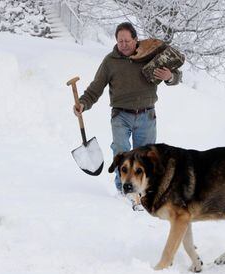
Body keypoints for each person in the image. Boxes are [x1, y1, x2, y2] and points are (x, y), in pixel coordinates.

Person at [73, 22, 181, 209]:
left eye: (127, 40)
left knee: (144, 157)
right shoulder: (110, 62)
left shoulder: (150, 54)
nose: (123, 44)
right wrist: (83, 103)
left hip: (147, 115)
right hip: (121, 115)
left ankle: (142, 192)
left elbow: (177, 76)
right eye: (120, 40)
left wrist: (169, 77)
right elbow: (95, 88)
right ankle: (124, 190)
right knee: (121, 151)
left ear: (135, 39)